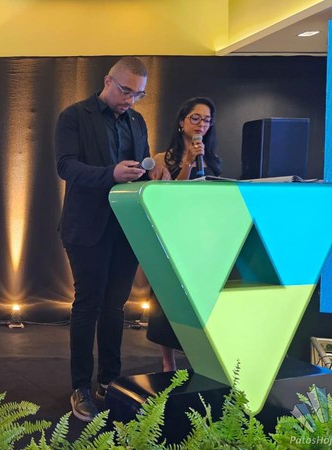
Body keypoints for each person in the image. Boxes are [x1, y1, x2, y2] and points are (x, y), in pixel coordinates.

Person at [55, 57, 168, 422]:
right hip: (86, 227)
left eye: (138, 94)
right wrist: (111, 174)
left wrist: (150, 172)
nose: (130, 100)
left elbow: (139, 168)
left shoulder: (137, 121)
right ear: (107, 81)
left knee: (114, 307)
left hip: (126, 227)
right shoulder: (74, 116)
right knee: (87, 305)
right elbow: (65, 166)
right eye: (125, 91)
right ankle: (80, 387)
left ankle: (109, 381)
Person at [148, 97, 222, 371]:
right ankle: (168, 361)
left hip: (202, 235)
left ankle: (199, 356)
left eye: (207, 120)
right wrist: (188, 162)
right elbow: (170, 198)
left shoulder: (212, 159)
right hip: (172, 234)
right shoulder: (162, 159)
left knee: (197, 299)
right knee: (166, 298)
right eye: (195, 118)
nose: (201, 125)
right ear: (182, 121)